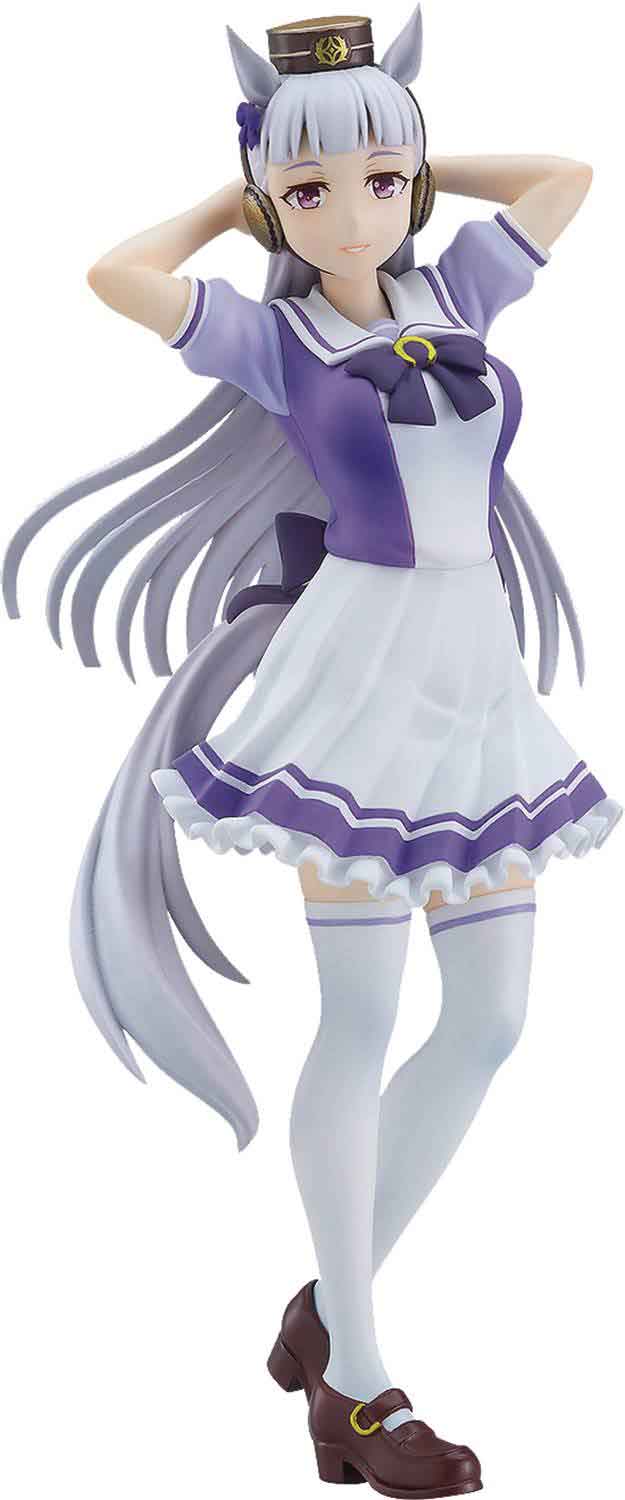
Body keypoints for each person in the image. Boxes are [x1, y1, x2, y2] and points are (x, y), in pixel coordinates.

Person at [3, 10, 620, 1496]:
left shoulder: (458, 288)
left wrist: (398, 148)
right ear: (273, 202)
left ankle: (328, 1306)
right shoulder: (273, 338)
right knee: (360, 1015)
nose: (353, 216)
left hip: (471, 678)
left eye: (381, 184)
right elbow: (116, 276)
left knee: (489, 1021)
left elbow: (566, 176)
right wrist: (237, 200)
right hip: (354, 679)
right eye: (313, 194)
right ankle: (357, 1386)